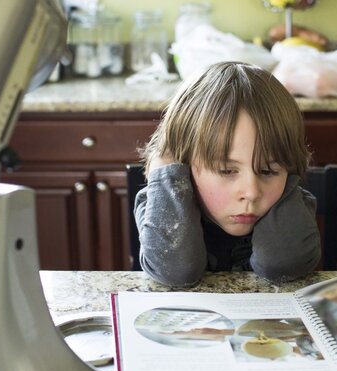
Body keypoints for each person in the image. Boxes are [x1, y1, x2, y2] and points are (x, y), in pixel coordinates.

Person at [134, 61, 320, 287]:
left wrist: (290, 168)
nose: (251, 192)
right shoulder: (164, 199)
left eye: (268, 171)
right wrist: (164, 167)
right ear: (182, 162)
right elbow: (176, 271)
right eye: (227, 170)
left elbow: (282, 264)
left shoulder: (290, 204)